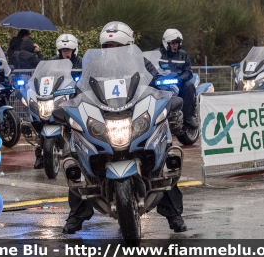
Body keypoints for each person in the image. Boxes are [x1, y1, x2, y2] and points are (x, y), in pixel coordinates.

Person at [62, 21, 187, 234]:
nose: (113, 50)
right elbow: (80, 87)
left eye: (118, 46)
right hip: (104, 117)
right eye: (109, 47)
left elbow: (155, 79)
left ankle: (174, 214)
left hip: (134, 115)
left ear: (128, 45)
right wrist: (70, 98)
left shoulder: (140, 61)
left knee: (162, 149)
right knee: (78, 151)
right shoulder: (94, 65)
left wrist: (165, 87)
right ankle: (76, 215)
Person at [33, 34, 82, 169]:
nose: (66, 52)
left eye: (68, 50)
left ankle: (79, 153)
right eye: (63, 50)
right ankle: (40, 155)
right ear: (59, 51)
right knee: (43, 120)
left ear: (74, 50)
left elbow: (87, 78)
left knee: (79, 123)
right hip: (58, 95)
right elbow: (44, 76)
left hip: (75, 97)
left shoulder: (80, 61)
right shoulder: (53, 61)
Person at [159, 29, 198, 129]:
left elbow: (188, 71)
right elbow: (152, 68)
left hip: (178, 82)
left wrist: (180, 78)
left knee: (189, 86)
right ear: (166, 43)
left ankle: (188, 117)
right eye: (172, 43)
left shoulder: (183, 54)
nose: (175, 45)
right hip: (162, 82)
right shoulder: (159, 54)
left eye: (176, 43)